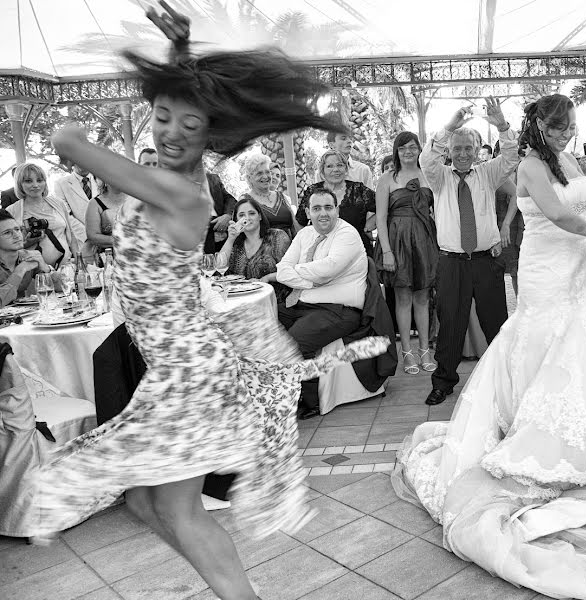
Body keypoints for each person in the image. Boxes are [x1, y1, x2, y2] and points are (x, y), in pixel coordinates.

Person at [29, 4, 386, 599]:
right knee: (145, 502)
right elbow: (181, 109)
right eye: (161, 118)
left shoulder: (183, 195)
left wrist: (156, 86)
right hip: (174, 369)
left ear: (211, 136)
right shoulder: (177, 178)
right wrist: (180, 54)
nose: (170, 133)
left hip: (191, 373)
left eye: (188, 127)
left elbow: (66, 139)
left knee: (180, 510)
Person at [391, 94, 586, 600]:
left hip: (576, 268)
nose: (566, 136)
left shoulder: (567, 158)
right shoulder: (531, 166)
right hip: (546, 267)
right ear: (541, 125)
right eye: (559, 128)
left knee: (585, 344)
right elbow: (562, 216)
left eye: (571, 128)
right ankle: (536, 429)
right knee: (542, 344)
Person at [421, 98, 517, 406]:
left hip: (486, 261)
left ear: (477, 151)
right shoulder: (440, 178)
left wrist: (501, 124)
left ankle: (503, 378)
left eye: (468, 149)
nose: (463, 154)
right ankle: (444, 381)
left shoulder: (488, 174)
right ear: (449, 151)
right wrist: (449, 126)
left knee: (496, 321)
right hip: (451, 263)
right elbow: (426, 159)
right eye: (457, 148)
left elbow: (512, 156)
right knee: (450, 322)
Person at [276, 189, 369, 420]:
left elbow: (329, 268)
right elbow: (281, 270)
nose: (323, 214)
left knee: (295, 343)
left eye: (328, 207)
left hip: (339, 310)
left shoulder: (347, 234)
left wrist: (297, 272)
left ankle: (309, 401)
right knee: (262, 323)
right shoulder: (305, 234)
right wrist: (312, 280)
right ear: (307, 211)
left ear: (337, 209)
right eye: (316, 208)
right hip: (303, 305)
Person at [374, 131, 438, 374]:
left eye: (412, 147)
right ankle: (407, 352)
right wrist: (387, 252)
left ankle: (425, 350)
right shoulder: (387, 178)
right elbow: (380, 219)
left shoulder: (429, 175)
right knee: (403, 299)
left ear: (420, 149)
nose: (408, 152)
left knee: (423, 297)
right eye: (403, 148)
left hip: (424, 240)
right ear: (396, 151)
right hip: (397, 241)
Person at [297, 150, 376, 256]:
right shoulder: (312, 192)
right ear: (322, 170)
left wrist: (370, 224)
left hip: (356, 251)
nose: (336, 170)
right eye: (329, 166)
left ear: (346, 169)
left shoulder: (359, 190)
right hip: (322, 254)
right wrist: (308, 245)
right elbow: (300, 221)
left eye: (340, 165)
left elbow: (386, 207)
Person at [218, 197, 291, 302]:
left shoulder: (276, 236)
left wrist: (266, 278)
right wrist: (230, 239)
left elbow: (290, 270)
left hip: (276, 301)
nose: (247, 218)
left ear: (260, 216)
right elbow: (219, 268)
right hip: (243, 303)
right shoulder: (235, 245)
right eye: (242, 215)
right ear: (236, 220)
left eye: (252, 213)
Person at [8, 162, 77, 268]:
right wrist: (27, 243)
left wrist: (79, 262)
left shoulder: (58, 203)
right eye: (28, 181)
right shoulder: (12, 211)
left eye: (39, 180)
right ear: (19, 184)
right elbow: (6, 247)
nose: (35, 185)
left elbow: (71, 235)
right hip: (32, 275)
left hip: (65, 269)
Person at [0, 209, 53, 307]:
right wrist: (20, 271)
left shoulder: (27, 256)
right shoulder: (24, 263)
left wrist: (45, 268)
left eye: (17, 229)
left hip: (23, 316)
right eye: (7, 233)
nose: (17, 235)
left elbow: (61, 288)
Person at [237, 154, 294, 241]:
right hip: (262, 252)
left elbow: (295, 226)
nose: (265, 176)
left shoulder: (281, 196)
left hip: (291, 251)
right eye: (259, 173)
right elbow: (243, 233)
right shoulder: (245, 200)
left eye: (267, 172)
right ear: (249, 178)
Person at [83, 179, 128, 258]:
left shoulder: (136, 200)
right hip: (107, 257)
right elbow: (93, 236)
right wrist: (124, 240)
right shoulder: (94, 204)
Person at [53, 161, 94, 244]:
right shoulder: (60, 184)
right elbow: (66, 215)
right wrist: (88, 237)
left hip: (108, 237)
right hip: (82, 240)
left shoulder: (103, 181)